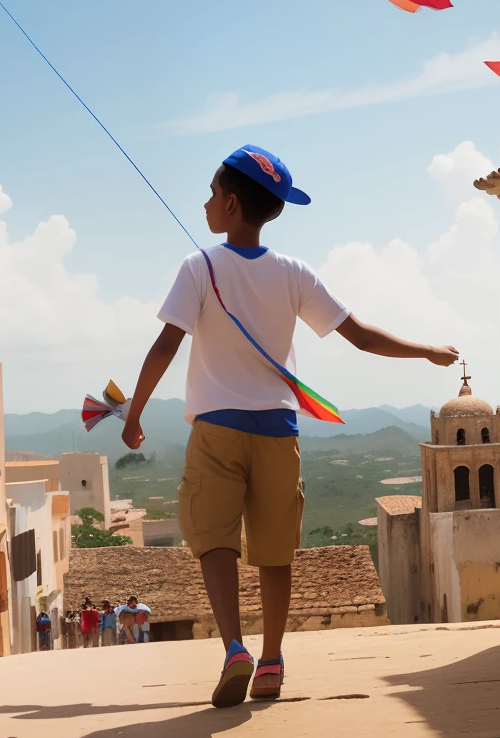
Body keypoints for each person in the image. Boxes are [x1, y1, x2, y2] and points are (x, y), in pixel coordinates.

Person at [120, 145, 458, 706]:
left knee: (214, 542)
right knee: (276, 552)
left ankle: (235, 648)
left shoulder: (197, 267)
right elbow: (362, 336)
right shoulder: (295, 273)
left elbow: (164, 346)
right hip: (279, 430)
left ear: (230, 203)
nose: (205, 203)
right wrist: (426, 350)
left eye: (210, 193)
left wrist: (133, 414)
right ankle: (271, 662)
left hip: (217, 429)